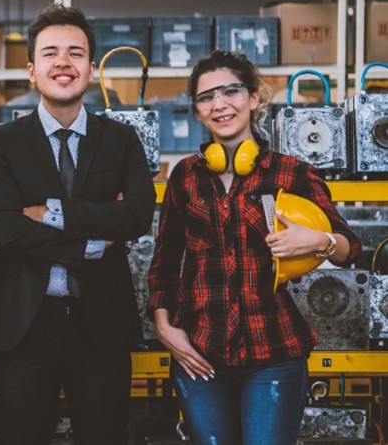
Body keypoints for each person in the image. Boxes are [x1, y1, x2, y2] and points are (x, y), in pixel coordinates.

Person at [146, 50, 362, 444]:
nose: (220, 104)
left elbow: (351, 248)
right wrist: (163, 326)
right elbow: (165, 261)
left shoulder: (291, 171)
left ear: (254, 98)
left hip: (274, 355)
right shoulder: (185, 177)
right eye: (207, 97)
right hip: (199, 353)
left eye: (231, 91)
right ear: (197, 111)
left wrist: (321, 241)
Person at [0, 4, 156, 444]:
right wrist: (94, 242)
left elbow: (136, 214)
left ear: (91, 70)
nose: (63, 62)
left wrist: (48, 212)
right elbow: (6, 230)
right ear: (31, 70)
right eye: (50, 53)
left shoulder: (120, 139)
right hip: (23, 326)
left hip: (102, 324)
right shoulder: (1, 143)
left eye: (75, 53)